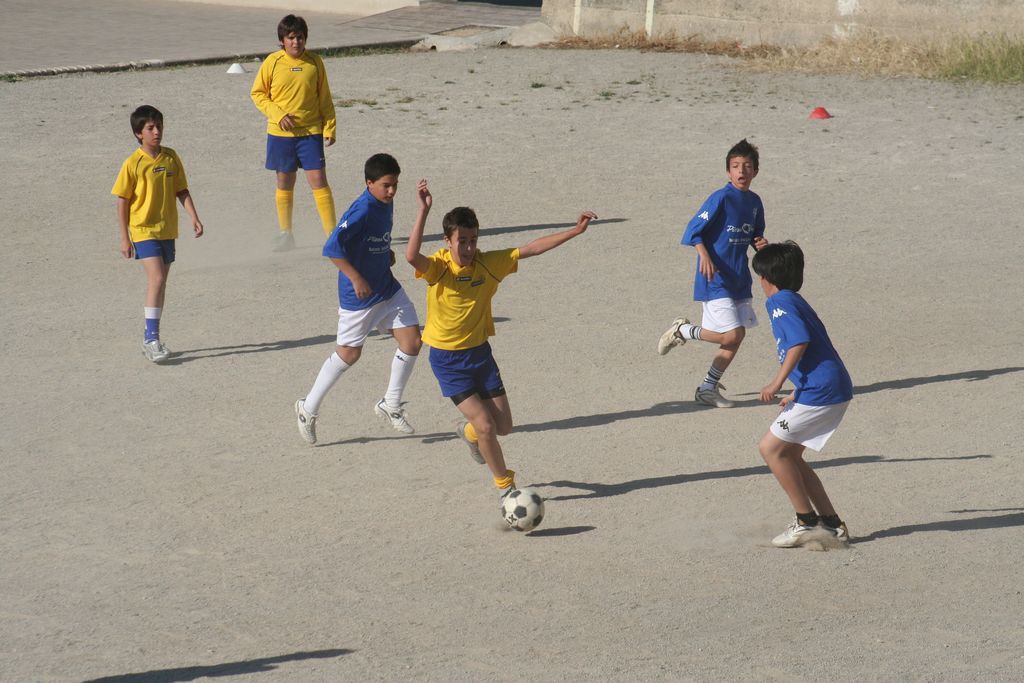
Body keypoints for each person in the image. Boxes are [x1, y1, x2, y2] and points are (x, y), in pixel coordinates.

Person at [405, 178, 596, 502]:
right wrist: (423, 211)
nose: (468, 248)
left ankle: (468, 433)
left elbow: (531, 248)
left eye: (473, 240)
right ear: (448, 241)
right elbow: (411, 256)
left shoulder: (489, 264)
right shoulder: (438, 268)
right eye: (462, 241)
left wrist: (574, 231)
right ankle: (506, 489)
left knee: (503, 426)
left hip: (480, 355)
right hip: (448, 360)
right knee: (486, 425)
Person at [294, 153, 421, 445]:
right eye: (386, 185)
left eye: (395, 185)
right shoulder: (361, 211)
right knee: (349, 354)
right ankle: (307, 408)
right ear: (369, 183)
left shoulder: (385, 202)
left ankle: (390, 404)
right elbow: (332, 248)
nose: (392, 191)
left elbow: (374, 238)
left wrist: (385, 253)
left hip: (386, 287)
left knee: (413, 341)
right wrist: (356, 277)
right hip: (360, 296)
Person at [751, 241, 853, 548]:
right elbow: (817, 348)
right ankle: (832, 525)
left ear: (765, 278)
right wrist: (797, 390)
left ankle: (806, 521)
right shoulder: (794, 299)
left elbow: (799, 342)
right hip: (828, 386)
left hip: (821, 391)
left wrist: (776, 383)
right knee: (791, 456)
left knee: (770, 449)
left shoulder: (778, 302)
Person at [657, 139, 767, 408]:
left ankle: (707, 388)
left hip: (739, 279)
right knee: (732, 334)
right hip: (715, 278)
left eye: (747, 166)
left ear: (755, 171)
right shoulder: (721, 198)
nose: (741, 171)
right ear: (728, 171)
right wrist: (703, 255)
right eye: (736, 166)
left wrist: (761, 244)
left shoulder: (754, 202)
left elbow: (755, 235)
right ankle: (683, 330)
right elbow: (692, 230)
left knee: (736, 337)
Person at [112, 105, 204, 363]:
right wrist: (124, 237)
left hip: (167, 229)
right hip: (143, 230)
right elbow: (122, 201)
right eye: (150, 128)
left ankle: (151, 338)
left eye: (159, 126)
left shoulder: (171, 157)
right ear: (138, 133)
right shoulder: (133, 163)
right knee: (157, 278)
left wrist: (194, 217)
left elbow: (181, 190)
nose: (156, 132)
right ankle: (151, 339)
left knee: (161, 283)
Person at [251, 14, 337, 252]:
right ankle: (285, 233)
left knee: (318, 180)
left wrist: (330, 127)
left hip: (311, 132)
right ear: (282, 40)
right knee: (284, 181)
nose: (296, 42)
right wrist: (278, 115)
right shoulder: (272, 62)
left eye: (299, 37)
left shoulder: (315, 62)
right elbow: (258, 94)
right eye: (291, 38)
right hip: (280, 135)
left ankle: (332, 235)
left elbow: (325, 98)